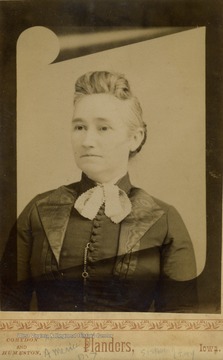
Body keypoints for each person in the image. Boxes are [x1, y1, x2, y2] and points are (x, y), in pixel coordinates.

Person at [1, 71, 198, 312]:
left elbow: (182, 324)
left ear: (135, 138)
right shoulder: (39, 210)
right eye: (79, 127)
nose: (86, 140)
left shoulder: (164, 219)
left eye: (103, 128)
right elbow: (7, 309)